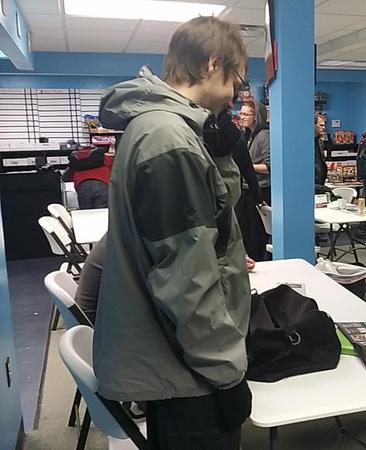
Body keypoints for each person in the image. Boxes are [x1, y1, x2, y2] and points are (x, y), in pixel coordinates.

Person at [93, 17, 254, 450]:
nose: (236, 94)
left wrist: (219, 157)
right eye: (237, 80)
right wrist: (226, 373)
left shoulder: (160, 128)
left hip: (173, 358)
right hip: (189, 372)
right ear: (213, 64)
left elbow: (209, 228)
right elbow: (186, 280)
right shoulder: (170, 141)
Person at [74, 233, 255, 325]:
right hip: (106, 337)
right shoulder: (142, 239)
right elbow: (179, 288)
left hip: (104, 323)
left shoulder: (128, 231)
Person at [236, 99, 271, 261]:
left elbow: (269, 167)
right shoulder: (247, 135)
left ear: (256, 116)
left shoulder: (264, 135)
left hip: (261, 192)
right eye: (240, 113)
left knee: (257, 237)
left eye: (245, 114)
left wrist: (245, 165)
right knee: (246, 236)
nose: (241, 117)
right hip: (246, 191)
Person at [314, 113, 328, 186]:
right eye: (321, 125)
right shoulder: (305, 143)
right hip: (312, 181)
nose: (324, 127)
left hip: (321, 182)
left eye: (324, 125)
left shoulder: (320, 142)